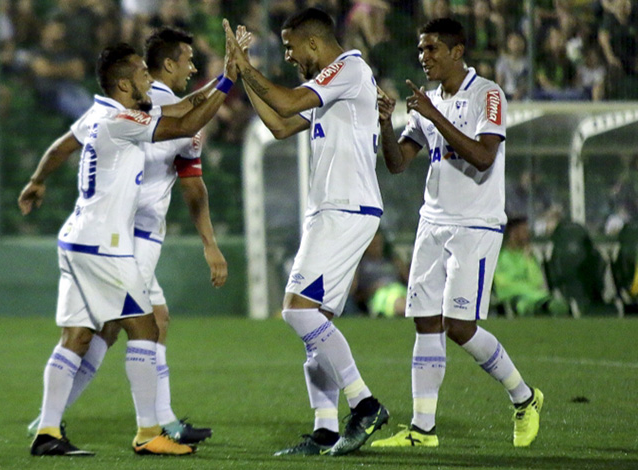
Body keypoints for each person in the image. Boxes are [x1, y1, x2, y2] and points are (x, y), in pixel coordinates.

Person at [17, 38, 236, 456]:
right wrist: (228, 86)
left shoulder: (100, 111)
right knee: (147, 327)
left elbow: (65, 144)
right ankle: (149, 432)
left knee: (78, 336)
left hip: (77, 240)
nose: (147, 79)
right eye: (140, 73)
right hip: (105, 246)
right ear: (123, 84)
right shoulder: (122, 121)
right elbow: (185, 124)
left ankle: (47, 431)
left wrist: (37, 180)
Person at [223, 8, 389, 457]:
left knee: (297, 312)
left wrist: (249, 69)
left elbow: (289, 102)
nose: (291, 56)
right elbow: (279, 125)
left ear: (314, 43)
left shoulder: (349, 68)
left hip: (344, 206)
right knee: (317, 325)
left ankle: (365, 404)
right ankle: (325, 431)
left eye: (293, 47)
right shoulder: (334, 84)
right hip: (335, 208)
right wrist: (242, 75)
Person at [372, 18, 543, 448]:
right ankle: (422, 429)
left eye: (431, 49)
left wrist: (435, 117)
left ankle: (524, 398)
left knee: (460, 325)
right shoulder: (427, 100)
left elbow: (484, 156)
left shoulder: (488, 94)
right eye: (420, 50)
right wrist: (386, 124)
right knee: (426, 323)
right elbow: (397, 163)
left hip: (476, 225)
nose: (424, 57)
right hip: (432, 222)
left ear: (457, 51)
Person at [494, 217, 569, 316]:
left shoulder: (528, 256)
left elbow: (537, 281)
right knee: (526, 307)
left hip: (535, 296)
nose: (527, 234)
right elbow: (503, 285)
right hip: (515, 298)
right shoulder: (500, 257)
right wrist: (525, 288)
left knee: (559, 306)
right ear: (513, 232)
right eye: (523, 231)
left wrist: (528, 260)